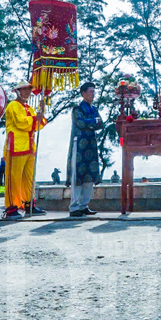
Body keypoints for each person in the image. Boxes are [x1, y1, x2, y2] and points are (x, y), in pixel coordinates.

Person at [2, 81, 43, 220]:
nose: (26, 92)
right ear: (17, 91)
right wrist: (36, 118)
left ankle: (29, 204)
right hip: (16, 146)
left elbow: (39, 125)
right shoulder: (13, 105)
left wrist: (40, 113)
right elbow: (21, 123)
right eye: (24, 90)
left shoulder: (29, 108)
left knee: (29, 178)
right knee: (13, 178)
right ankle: (11, 207)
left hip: (29, 147)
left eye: (28, 90)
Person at [68, 81, 102, 218]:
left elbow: (101, 124)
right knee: (77, 175)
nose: (93, 94)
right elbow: (80, 123)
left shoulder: (94, 109)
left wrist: (92, 122)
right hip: (79, 145)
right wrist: (93, 121)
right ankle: (74, 207)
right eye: (90, 91)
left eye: (94, 92)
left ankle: (84, 205)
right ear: (83, 93)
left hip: (91, 144)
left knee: (89, 176)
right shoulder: (77, 108)